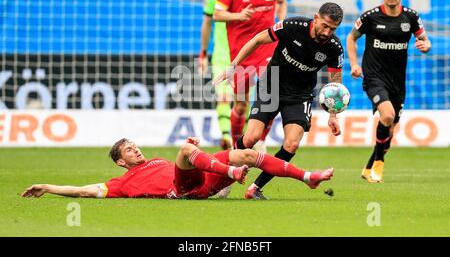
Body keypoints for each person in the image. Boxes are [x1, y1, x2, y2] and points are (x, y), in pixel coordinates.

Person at [214, 2, 345, 199]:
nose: (327, 32)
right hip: (272, 84)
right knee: (252, 137)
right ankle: (225, 177)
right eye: (324, 26)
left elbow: (335, 84)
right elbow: (258, 39)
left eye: (332, 29)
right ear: (316, 17)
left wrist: (333, 115)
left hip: (299, 95)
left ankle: (255, 187)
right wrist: (234, 65)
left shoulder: (334, 48)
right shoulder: (293, 26)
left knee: (291, 144)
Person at [21, 137, 334, 199]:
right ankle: (230, 177)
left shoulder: (156, 160)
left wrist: (194, 151)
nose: (136, 148)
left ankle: (307, 178)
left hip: (201, 179)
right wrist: (48, 187)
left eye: (134, 144)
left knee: (248, 155)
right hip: (181, 191)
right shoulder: (120, 183)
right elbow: (83, 190)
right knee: (186, 150)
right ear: (120, 162)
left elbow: (188, 160)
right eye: (128, 149)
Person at [346, 0, 431, 183]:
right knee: (387, 116)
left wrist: (425, 46)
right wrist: (354, 64)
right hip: (374, 77)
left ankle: (368, 168)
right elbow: (351, 37)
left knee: (390, 129)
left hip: (397, 81)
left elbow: (424, 40)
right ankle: (380, 164)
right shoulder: (370, 17)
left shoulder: (411, 17)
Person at [213, 0, 286, 150]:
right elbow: (218, 14)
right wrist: (239, 15)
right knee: (241, 104)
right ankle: (238, 146)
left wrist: (280, 22)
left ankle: (260, 142)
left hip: (267, 47)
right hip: (242, 51)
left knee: (270, 97)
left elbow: (281, 1)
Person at [198, 0, 243, 150]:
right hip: (222, 54)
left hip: (245, 53)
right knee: (223, 96)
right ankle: (226, 136)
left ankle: (242, 140)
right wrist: (203, 53)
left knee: (243, 99)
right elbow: (207, 23)